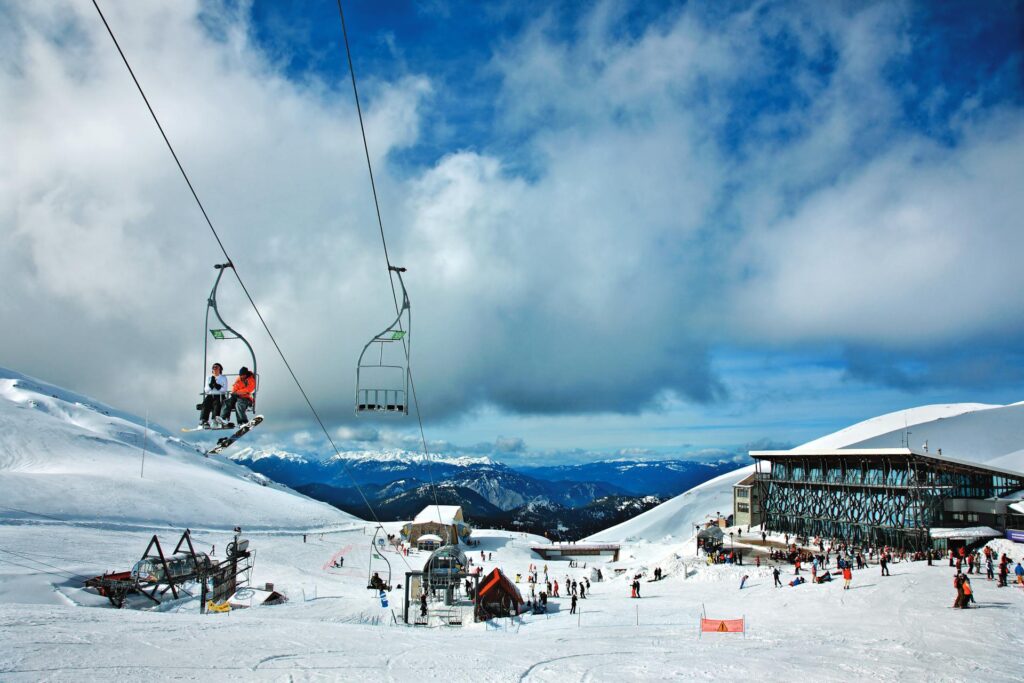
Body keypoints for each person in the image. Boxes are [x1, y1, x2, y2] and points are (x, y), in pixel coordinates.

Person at [198, 363, 228, 428]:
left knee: (217, 404)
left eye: (216, 367)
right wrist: (211, 385)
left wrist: (218, 386)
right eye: (213, 367)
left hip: (219, 395)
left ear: (220, 369)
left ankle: (214, 420)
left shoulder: (223, 378)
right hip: (210, 395)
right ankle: (204, 420)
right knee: (206, 403)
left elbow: (224, 390)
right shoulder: (209, 378)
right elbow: (206, 390)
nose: (215, 369)